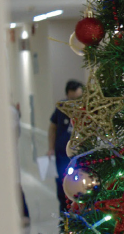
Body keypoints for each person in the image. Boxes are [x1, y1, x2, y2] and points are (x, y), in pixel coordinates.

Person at [49, 80, 84, 214]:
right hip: (62, 157)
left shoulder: (86, 109)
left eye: (78, 98)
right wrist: (50, 148)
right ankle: (64, 227)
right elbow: (52, 128)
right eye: (72, 99)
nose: (75, 102)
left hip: (80, 157)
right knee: (62, 191)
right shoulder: (61, 108)